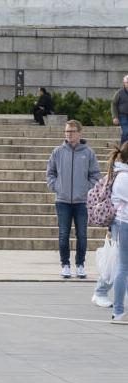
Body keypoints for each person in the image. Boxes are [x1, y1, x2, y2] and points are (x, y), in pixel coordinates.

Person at [47, 120, 101, 279]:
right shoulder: (57, 152)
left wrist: (86, 189)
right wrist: (57, 187)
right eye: (66, 131)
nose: (68, 134)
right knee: (63, 234)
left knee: (82, 235)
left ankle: (80, 265)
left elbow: (96, 176)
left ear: (79, 133)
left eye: (71, 131)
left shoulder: (88, 153)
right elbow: (50, 173)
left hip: (82, 202)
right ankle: (65, 264)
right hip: (62, 201)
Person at [110, 142, 128, 321]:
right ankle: (118, 310)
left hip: (123, 223)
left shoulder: (121, 173)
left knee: (124, 267)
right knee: (123, 267)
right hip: (125, 224)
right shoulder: (123, 176)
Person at [111, 76, 128, 145]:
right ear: (124, 83)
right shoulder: (119, 93)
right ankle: (122, 149)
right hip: (122, 115)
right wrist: (115, 117)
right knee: (126, 131)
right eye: (127, 82)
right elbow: (113, 104)